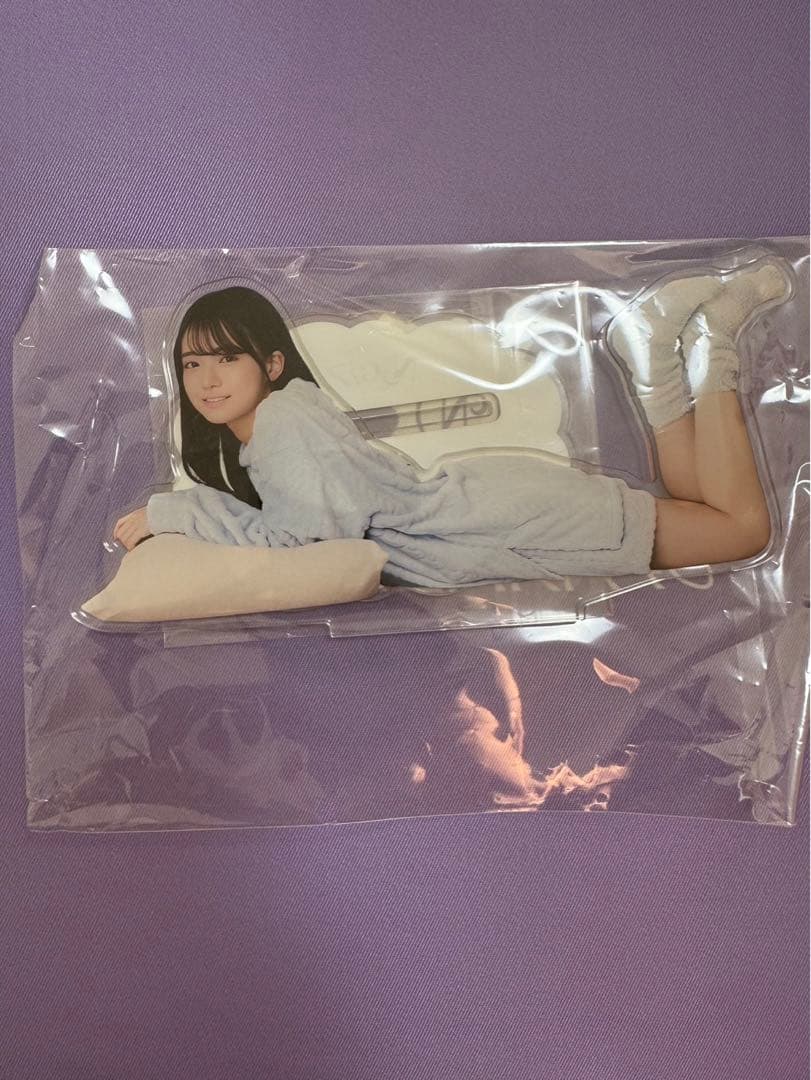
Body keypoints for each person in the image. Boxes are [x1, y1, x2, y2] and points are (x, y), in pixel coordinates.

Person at [113, 258, 792, 586]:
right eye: (192, 363)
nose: (206, 380)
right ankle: (654, 354)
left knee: (741, 531)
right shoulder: (285, 421)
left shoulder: (282, 425)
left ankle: (711, 348)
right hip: (488, 511)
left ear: (270, 362)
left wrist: (177, 514)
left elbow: (305, 541)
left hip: (496, 523)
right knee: (696, 506)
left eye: (226, 359)